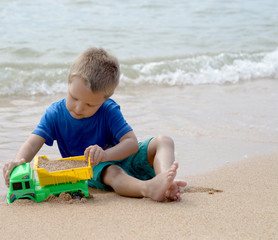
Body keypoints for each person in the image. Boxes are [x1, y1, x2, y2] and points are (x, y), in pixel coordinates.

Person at [2, 47, 186, 202]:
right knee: (113, 171)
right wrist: (19, 161)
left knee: (164, 140)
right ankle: (147, 188)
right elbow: (32, 142)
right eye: (73, 97)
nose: (79, 107)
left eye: (90, 104)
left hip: (115, 156)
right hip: (92, 169)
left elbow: (130, 143)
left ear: (105, 98)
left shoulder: (108, 110)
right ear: (68, 83)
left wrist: (106, 154)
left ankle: (164, 180)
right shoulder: (55, 113)